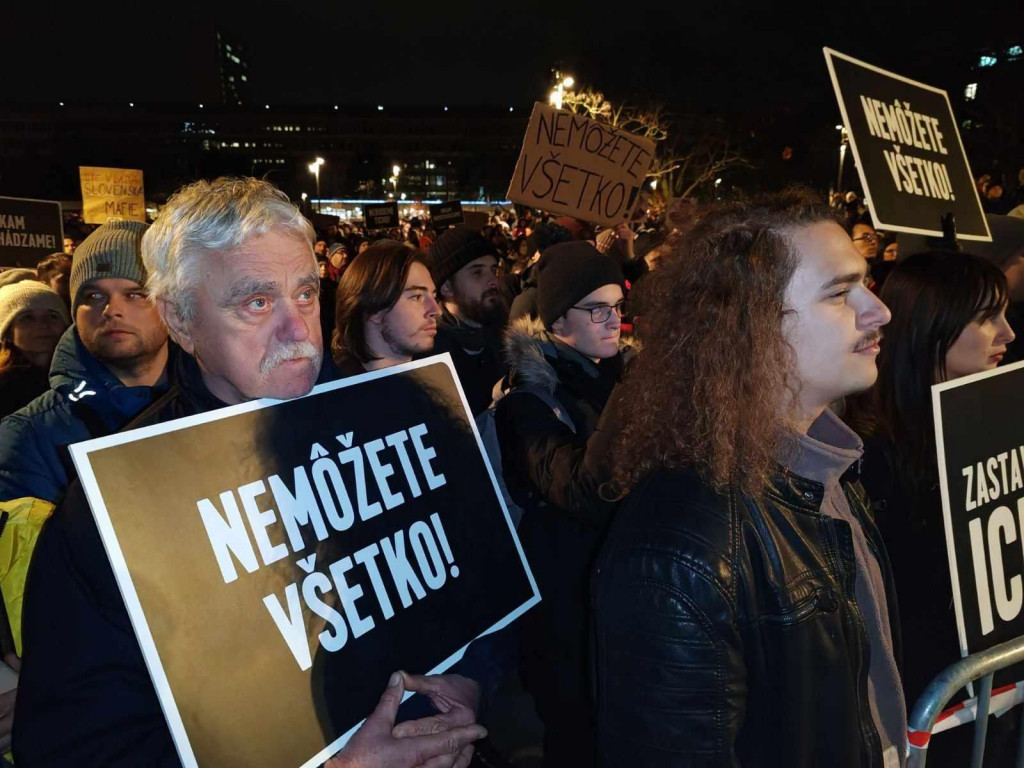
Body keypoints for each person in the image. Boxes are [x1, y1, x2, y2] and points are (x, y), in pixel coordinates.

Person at [14, 178, 485, 768]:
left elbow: (475, 580)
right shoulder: (119, 502)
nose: (298, 331)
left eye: (307, 294)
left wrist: (464, 682)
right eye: (257, 303)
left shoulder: (392, 419)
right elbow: (76, 748)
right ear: (181, 322)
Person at [593, 189, 902, 767]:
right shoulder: (681, 551)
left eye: (866, 284)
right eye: (840, 293)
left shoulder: (831, 470)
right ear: (749, 323)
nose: (878, 310)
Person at [849, 251, 1015, 766]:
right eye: (986, 318)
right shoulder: (867, 456)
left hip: (991, 704)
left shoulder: (998, 425)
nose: (1007, 334)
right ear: (930, 328)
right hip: (930, 717)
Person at [495, 241, 632, 767]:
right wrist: (635, 399)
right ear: (557, 319)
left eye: (618, 307)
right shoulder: (529, 397)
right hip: (565, 616)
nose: (613, 320)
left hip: (618, 600)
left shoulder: (618, 372)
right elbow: (580, 490)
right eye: (597, 309)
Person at [0, 220, 171, 507]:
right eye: (93, 296)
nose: (112, 310)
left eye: (135, 294)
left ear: (170, 304)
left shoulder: (223, 398)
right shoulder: (27, 438)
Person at [332, 240, 440, 376]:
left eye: (434, 297)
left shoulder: (446, 372)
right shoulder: (332, 391)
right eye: (417, 297)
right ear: (374, 309)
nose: (436, 310)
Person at [431, 227, 509, 415]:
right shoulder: (429, 358)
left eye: (494, 270)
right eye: (477, 273)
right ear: (447, 287)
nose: (492, 281)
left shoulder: (507, 343)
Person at [0, 282, 69, 418]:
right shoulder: (3, 388)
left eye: (53, 316)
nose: (43, 324)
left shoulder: (80, 376)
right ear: (8, 333)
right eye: (27, 317)